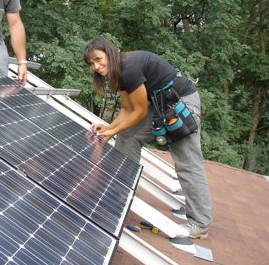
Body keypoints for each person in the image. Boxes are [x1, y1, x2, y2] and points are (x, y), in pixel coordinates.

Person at [83, 36, 213, 239]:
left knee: (187, 163)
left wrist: (110, 133)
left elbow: (140, 111)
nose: (97, 67)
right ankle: (120, 197)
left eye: (99, 59)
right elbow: (128, 109)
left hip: (181, 103)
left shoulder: (129, 68)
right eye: (92, 64)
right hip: (160, 105)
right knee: (127, 137)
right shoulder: (118, 73)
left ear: (109, 53)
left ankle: (200, 222)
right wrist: (110, 128)